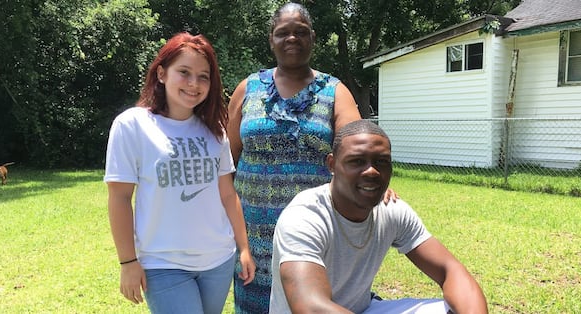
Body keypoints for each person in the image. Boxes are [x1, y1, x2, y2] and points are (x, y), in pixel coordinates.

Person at [227, 3, 397, 313]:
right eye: (283, 33)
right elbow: (227, 163)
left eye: (301, 32)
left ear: (313, 39)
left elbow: (357, 151)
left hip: (314, 230)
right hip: (252, 235)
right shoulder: (247, 89)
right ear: (271, 39)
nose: (292, 38)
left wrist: (375, 182)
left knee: (311, 303)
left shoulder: (335, 91)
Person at [104, 32, 255, 314]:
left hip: (218, 260)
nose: (193, 84)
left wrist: (243, 247)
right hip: (163, 265)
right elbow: (120, 198)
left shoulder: (215, 129)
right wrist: (127, 262)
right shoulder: (132, 125)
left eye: (203, 76)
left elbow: (227, 193)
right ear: (161, 73)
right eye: (184, 72)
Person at [270, 119, 488, 314]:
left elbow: (450, 271)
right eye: (357, 161)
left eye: (381, 162)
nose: (372, 171)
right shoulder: (305, 216)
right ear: (332, 164)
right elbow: (310, 306)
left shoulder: (391, 209)